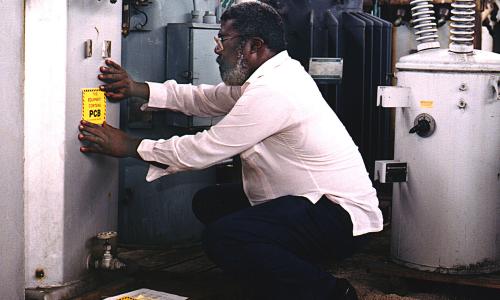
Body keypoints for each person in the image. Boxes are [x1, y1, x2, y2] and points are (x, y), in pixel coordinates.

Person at [78, 2, 383, 299]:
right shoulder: (271, 76)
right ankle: (274, 272)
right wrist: (137, 88)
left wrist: (130, 145)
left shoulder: (274, 90)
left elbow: (206, 148)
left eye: (223, 39)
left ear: (253, 46)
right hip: (308, 202)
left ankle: (332, 292)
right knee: (210, 202)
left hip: (338, 216)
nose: (216, 48)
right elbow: (205, 98)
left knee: (224, 237)